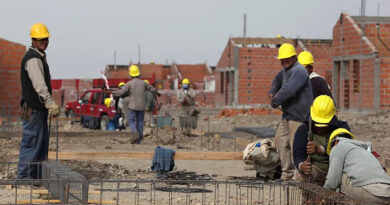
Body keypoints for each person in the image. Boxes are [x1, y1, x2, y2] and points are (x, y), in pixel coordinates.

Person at [18, 23, 60, 179]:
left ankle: (34, 178)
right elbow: (39, 84)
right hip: (33, 109)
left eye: (46, 39)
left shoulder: (39, 57)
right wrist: (49, 102)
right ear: (33, 40)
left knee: (40, 144)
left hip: (36, 109)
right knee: (32, 142)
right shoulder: (33, 59)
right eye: (41, 39)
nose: (44, 42)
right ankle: (24, 179)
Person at [267, 43, 313, 181]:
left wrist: (274, 101)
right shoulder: (286, 70)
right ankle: (286, 175)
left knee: (296, 147)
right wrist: (271, 92)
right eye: (282, 59)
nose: (284, 61)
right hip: (288, 115)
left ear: (294, 57)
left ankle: (299, 178)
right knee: (280, 141)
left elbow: (289, 90)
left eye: (287, 58)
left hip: (299, 117)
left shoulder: (299, 70)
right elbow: (277, 79)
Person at [293, 95, 350, 185]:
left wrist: (319, 149)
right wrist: (301, 166)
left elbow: (342, 146)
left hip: (337, 171)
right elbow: (298, 154)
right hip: (317, 171)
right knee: (300, 175)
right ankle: (308, 197)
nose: (320, 128)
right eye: (317, 123)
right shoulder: (304, 129)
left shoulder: (341, 128)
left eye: (324, 124)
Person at [324, 129, 390, 203]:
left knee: (340, 175)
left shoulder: (338, 147)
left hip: (371, 193)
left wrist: (322, 197)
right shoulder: (365, 152)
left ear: (335, 141)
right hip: (387, 192)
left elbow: (332, 182)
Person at [113, 65, 156, 144]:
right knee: (140, 122)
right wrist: (156, 91)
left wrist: (114, 93)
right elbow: (152, 89)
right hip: (141, 107)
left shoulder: (129, 84)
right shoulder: (143, 83)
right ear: (138, 73)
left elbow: (121, 92)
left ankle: (135, 134)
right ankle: (139, 140)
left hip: (132, 106)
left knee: (131, 121)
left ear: (130, 74)